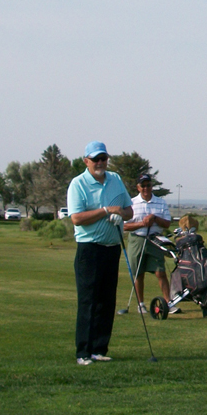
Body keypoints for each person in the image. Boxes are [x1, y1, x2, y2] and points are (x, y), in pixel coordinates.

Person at [67, 141, 133, 365]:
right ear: (86, 161)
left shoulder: (115, 179)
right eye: (95, 159)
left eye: (103, 158)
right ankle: (83, 352)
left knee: (107, 300)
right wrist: (105, 211)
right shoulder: (78, 184)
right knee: (88, 301)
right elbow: (77, 218)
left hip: (112, 247)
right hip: (89, 249)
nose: (100, 163)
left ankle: (99, 348)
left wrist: (120, 214)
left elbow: (129, 211)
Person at [125, 174, 178, 316]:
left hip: (155, 240)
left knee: (160, 272)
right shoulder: (131, 203)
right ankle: (141, 304)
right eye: (143, 185)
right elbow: (125, 226)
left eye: (148, 185)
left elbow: (167, 223)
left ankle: (168, 303)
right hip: (137, 240)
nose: (146, 188)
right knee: (138, 273)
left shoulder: (160, 202)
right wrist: (142, 223)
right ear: (138, 187)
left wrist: (154, 218)